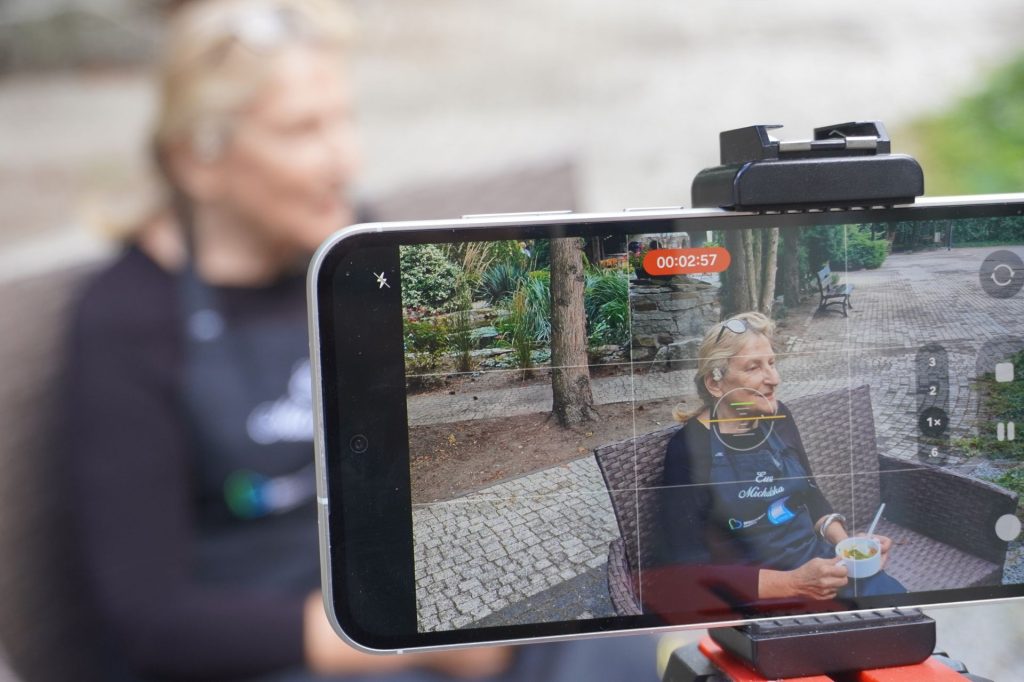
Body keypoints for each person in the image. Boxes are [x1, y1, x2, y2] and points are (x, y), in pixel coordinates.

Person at [62, 1, 654, 679]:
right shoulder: (128, 318)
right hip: (263, 652)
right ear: (198, 160)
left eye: (343, 120)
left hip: (382, 602)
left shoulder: (349, 254)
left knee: (614, 643)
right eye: (302, 129)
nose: (346, 159)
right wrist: (404, 638)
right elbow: (149, 622)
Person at [648, 312, 905, 616]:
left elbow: (810, 494)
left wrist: (849, 550)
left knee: (900, 613)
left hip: (821, 568)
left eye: (772, 363)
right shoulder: (688, 448)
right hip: (752, 597)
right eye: (753, 367)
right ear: (715, 384)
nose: (774, 379)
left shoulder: (778, 417)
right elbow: (687, 571)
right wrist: (793, 584)